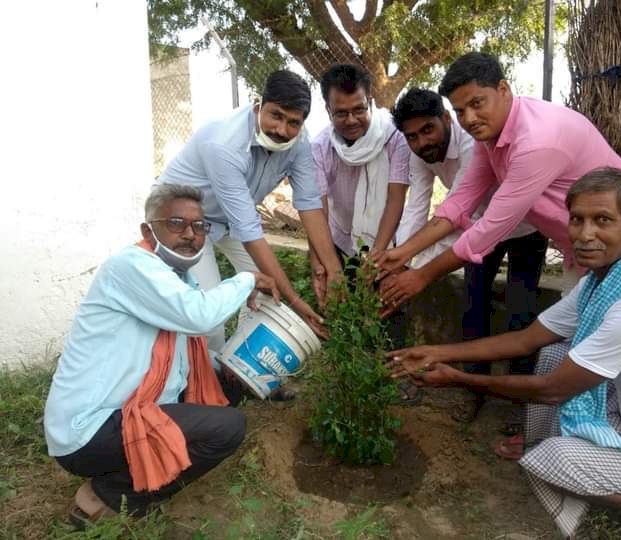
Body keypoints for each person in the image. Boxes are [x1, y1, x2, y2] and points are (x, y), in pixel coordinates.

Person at [388, 169, 621, 540]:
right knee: (552, 355)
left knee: (557, 459)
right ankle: (575, 486)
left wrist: (458, 379)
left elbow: (551, 391)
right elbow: (528, 339)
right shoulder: (607, 280)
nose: (584, 234)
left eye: (602, 220)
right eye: (577, 220)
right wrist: (438, 352)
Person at [44, 185, 280, 523]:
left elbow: (186, 357)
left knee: (229, 382)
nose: (190, 234)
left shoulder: (176, 279)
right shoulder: (131, 265)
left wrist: (248, 367)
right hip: (89, 431)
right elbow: (197, 315)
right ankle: (111, 495)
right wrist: (246, 280)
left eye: (200, 227)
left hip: (127, 411)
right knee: (227, 428)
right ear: (147, 230)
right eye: (175, 223)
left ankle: (145, 458)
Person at [376, 52, 621, 312]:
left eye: (477, 103)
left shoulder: (535, 142)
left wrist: (420, 276)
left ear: (503, 89)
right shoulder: (490, 134)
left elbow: (489, 229)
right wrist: (402, 253)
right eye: (460, 111)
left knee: (608, 328)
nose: (469, 118)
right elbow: (459, 202)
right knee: (581, 323)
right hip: (581, 238)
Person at [392, 87, 548, 420]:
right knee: (473, 305)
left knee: (521, 310)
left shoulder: (470, 141)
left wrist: (419, 272)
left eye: (427, 130)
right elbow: (417, 208)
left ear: (446, 119)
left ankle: (518, 402)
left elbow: (457, 210)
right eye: (411, 137)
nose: (421, 142)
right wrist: (401, 261)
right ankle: (473, 391)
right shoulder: (420, 155)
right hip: (477, 226)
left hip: (526, 226)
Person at [158, 70, 342, 351]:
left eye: (293, 122)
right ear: (258, 105)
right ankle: (202, 387)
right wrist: (296, 302)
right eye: (276, 116)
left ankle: (237, 370)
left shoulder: (300, 143)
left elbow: (309, 203)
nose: (282, 130)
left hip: (227, 220)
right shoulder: (224, 143)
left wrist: (334, 272)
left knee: (270, 290)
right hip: (183, 221)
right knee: (208, 316)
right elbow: (248, 228)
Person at [311, 64, 413, 397]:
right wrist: (325, 265)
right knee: (341, 307)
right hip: (339, 236)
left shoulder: (393, 138)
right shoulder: (321, 146)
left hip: (385, 238)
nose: (352, 120)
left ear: (370, 101)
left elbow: (396, 198)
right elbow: (317, 209)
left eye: (359, 109)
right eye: (341, 113)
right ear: (328, 110)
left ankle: (396, 376)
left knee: (390, 306)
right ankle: (348, 379)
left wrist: (379, 255)